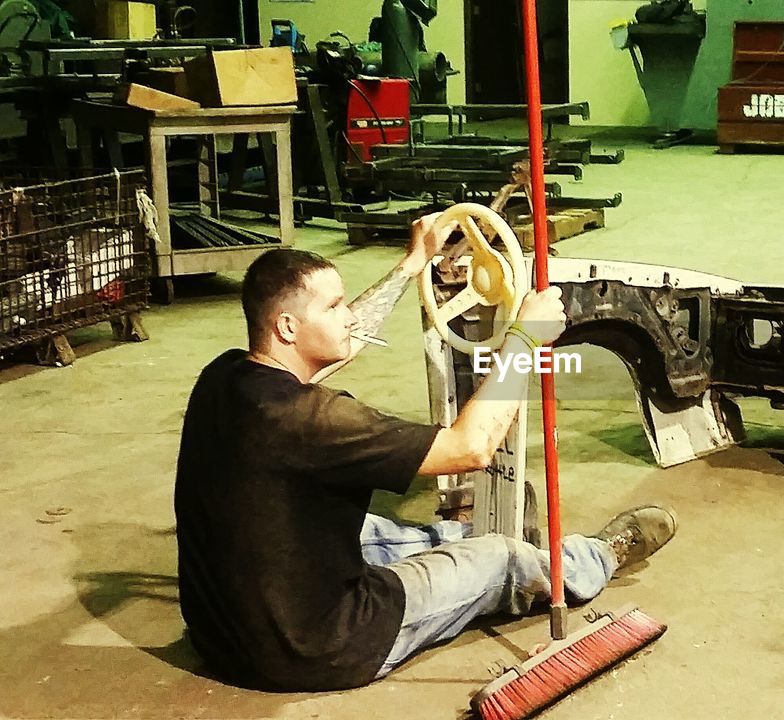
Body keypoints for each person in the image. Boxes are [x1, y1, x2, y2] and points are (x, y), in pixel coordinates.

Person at [174, 215, 678, 692]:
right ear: (287, 328)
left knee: (371, 529)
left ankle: (465, 539)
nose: (349, 316)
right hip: (320, 646)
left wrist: (414, 264)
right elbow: (472, 447)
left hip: (222, 637)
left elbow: (346, 340)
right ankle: (593, 558)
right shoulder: (317, 421)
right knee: (496, 557)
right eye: (333, 308)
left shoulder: (226, 376)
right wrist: (526, 336)